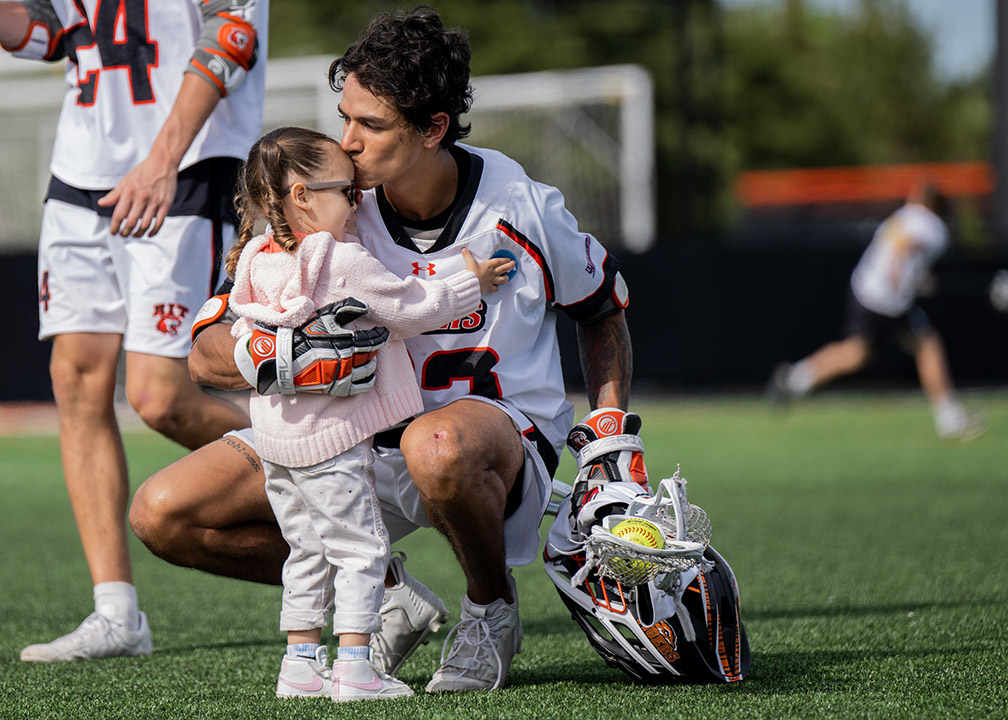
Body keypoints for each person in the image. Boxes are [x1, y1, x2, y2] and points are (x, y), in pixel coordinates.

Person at [128, 6, 634, 693]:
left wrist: (606, 434)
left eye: (370, 125)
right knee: (163, 513)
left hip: (487, 440)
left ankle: (490, 606)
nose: (347, 141)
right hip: (353, 441)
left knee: (438, 446)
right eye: (344, 117)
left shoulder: (521, 203)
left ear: (433, 129)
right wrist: (292, 356)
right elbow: (208, 351)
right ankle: (387, 590)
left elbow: (602, 312)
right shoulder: (325, 199)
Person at [0, 0, 267, 662]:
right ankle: (116, 611)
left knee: (160, 396)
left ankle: (353, 534)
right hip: (82, 167)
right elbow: (53, 31)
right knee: (76, 381)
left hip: (183, 162)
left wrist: (161, 157)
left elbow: (232, 31)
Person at [228, 126, 513, 700]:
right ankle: (355, 669)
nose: (359, 202)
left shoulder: (256, 259)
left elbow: (240, 334)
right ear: (303, 196)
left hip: (277, 445)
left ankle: (300, 666)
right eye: (347, 192)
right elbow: (411, 307)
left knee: (306, 551)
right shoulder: (341, 260)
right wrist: (472, 282)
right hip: (333, 441)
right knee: (360, 551)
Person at [767, 182, 984, 440]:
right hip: (889, 299)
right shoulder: (933, 227)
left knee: (856, 353)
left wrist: (912, 275)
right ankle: (949, 419)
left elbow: (905, 254)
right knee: (927, 345)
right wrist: (898, 266)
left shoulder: (902, 216)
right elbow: (907, 244)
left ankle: (794, 379)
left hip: (865, 288)